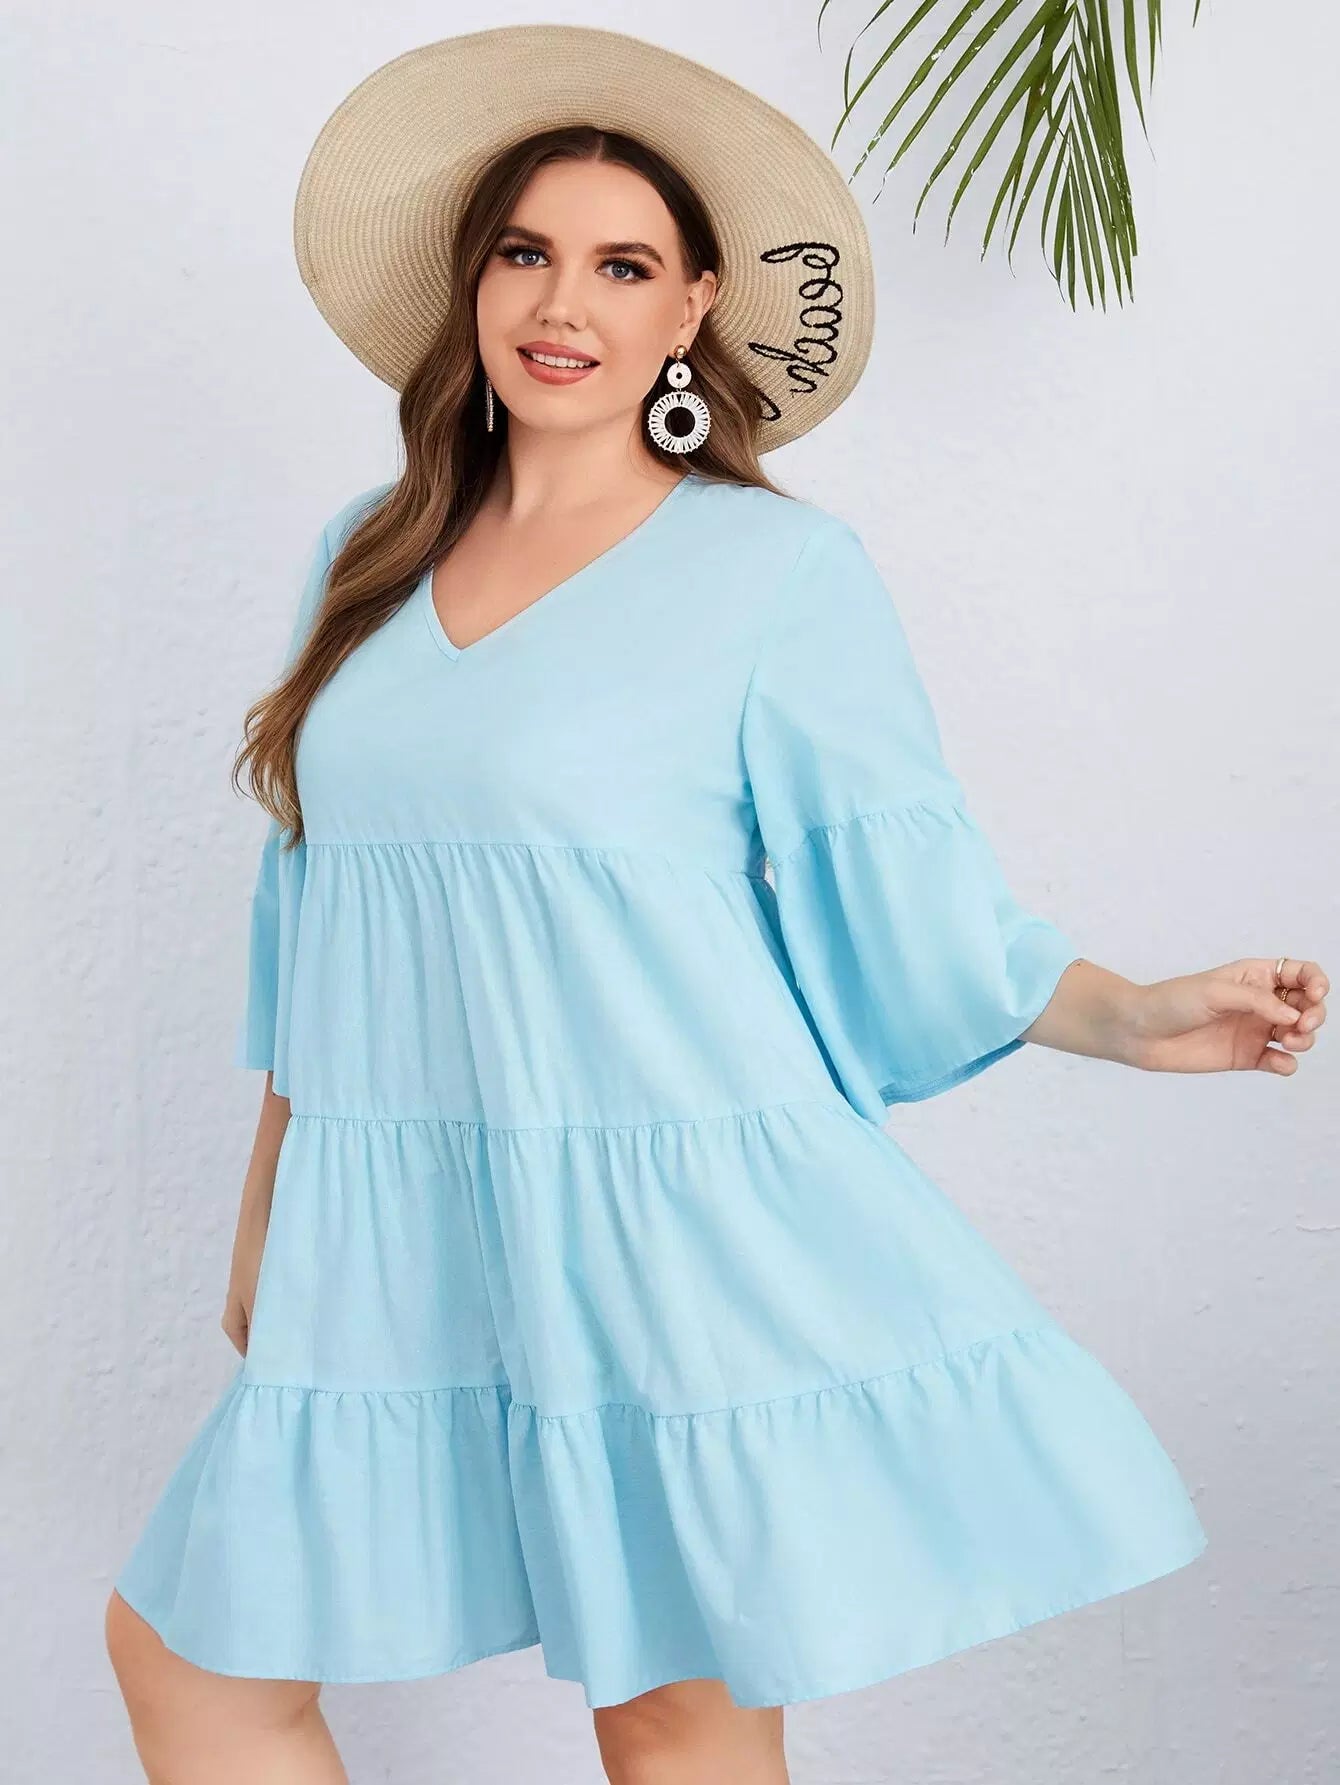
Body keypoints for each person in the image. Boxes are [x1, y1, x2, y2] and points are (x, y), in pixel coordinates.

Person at [104, 23, 1327, 1785]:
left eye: (622, 266)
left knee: (671, 1711)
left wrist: (1133, 1014)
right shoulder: (367, 555)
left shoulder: (776, 571)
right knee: (195, 1657)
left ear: (693, 308)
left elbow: (904, 887)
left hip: (661, 1215)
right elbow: (312, 912)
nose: (562, 302)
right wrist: (269, 1200)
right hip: (396, 1217)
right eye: (525, 252)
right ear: (472, 285)